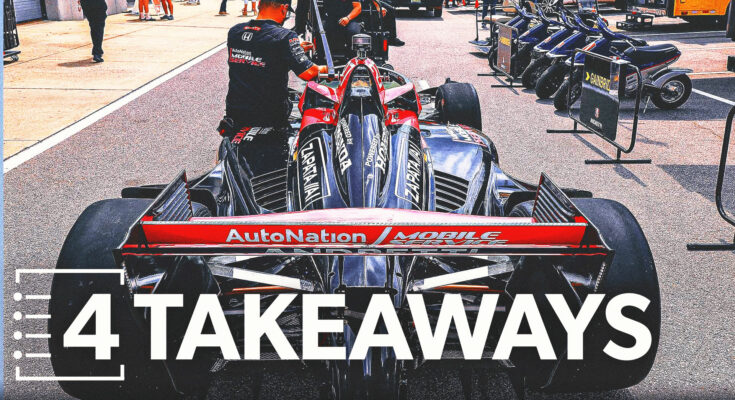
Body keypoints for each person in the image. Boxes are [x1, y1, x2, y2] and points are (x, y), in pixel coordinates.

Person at [222, 0, 327, 132]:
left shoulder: (235, 32)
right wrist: (328, 68)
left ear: (259, 4)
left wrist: (292, 50)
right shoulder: (285, 36)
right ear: (284, 8)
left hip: (235, 110)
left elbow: (259, 56)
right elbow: (309, 72)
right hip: (270, 114)